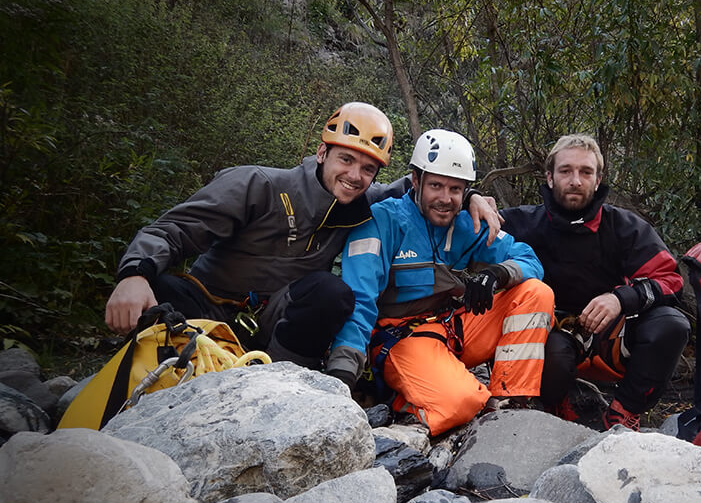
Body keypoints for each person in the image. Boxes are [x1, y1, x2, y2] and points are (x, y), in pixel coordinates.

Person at [104, 102, 500, 368]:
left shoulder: (362, 203)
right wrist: (134, 275)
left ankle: (280, 380)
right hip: (207, 305)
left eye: (367, 168)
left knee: (332, 293)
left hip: (274, 319)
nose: (355, 175)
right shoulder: (257, 185)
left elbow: (424, 192)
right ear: (322, 153)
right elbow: (175, 229)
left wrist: (473, 198)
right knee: (158, 287)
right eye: (346, 158)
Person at [326, 129, 554, 435]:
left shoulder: (467, 223)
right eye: (436, 186)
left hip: (453, 328)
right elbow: (360, 299)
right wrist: (341, 376)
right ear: (416, 181)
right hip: (401, 338)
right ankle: (403, 402)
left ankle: (510, 401)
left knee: (535, 293)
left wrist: (497, 273)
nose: (445, 199)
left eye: (456, 189)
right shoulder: (381, 222)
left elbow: (530, 260)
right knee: (462, 403)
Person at [500, 133, 690, 430]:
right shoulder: (520, 223)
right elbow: (445, 207)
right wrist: (474, 199)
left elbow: (670, 280)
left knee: (672, 324)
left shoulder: (625, 227)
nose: (575, 180)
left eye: (585, 172)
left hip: (611, 334)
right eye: (566, 171)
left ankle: (623, 412)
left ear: (598, 179)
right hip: (553, 335)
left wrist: (621, 298)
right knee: (554, 353)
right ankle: (552, 405)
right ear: (549, 178)